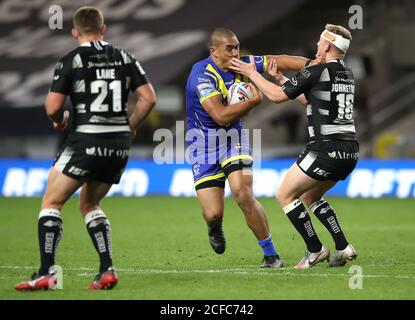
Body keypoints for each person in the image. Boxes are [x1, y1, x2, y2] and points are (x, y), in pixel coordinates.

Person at [15, 6, 156, 290]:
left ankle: (46, 274)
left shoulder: (71, 59)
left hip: (87, 139)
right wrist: (130, 125)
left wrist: (59, 120)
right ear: (103, 29)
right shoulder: (125, 56)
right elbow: (148, 98)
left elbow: (52, 106)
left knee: (52, 202)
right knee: (90, 203)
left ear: (74, 32)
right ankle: (106, 269)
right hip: (118, 144)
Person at [230, 24, 358, 269]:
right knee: (311, 196)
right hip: (349, 151)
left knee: (284, 195)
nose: (317, 46)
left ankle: (315, 249)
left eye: (321, 42)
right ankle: (342, 247)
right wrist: (279, 78)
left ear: (329, 45)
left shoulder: (316, 70)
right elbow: (309, 100)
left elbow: (278, 97)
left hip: (324, 149)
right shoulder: (346, 73)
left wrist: (253, 73)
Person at [185, 27, 310, 268]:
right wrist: (253, 101)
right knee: (213, 213)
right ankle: (214, 226)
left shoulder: (242, 64)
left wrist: (318, 64)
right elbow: (220, 115)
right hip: (204, 145)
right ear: (214, 52)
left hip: (234, 138)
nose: (235, 53)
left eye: (237, 47)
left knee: (243, 193)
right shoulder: (201, 76)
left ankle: (271, 255)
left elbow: (282, 60)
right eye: (229, 48)